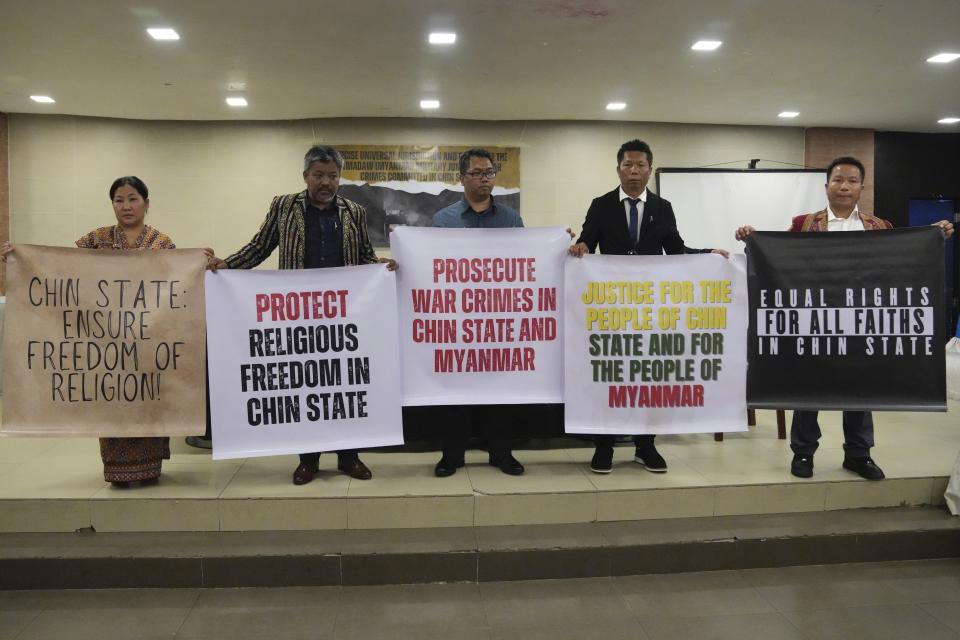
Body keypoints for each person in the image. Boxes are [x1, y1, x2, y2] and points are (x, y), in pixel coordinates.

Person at [735, 156, 954, 480]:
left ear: (861, 188)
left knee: (861, 386)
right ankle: (804, 453)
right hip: (815, 321)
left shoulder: (879, 227)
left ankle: (858, 454)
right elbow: (780, 258)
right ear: (826, 186)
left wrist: (934, 235)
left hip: (862, 321)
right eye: (838, 180)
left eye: (852, 180)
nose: (844, 186)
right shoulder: (804, 224)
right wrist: (752, 238)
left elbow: (899, 265)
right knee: (808, 387)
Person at [207, 145, 397, 485]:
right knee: (306, 384)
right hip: (298, 315)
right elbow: (260, 246)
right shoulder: (284, 206)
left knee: (342, 384)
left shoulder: (353, 210)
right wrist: (226, 265)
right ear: (305, 176)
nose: (326, 182)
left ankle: (349, 457)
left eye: (333, 176)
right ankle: (308, 459)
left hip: (344, 315)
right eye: (319, 175)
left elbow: (365, 254)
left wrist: (380, 268)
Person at [0, 176, 178, 487]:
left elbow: (177, 282)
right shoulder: (96, 240)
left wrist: (203, 265)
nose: (126, 206)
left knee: (146, 401)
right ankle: (118, 471)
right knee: (112, 401)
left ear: (146, 204)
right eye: (119, 200)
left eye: (133, 199)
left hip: (147, 341)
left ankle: (150, 469)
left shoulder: (162, 243)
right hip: (105, 343)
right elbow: (60, 268)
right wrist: (21, 257)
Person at [569, 139, 728, 475]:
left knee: (648, 377)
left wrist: (709, 255)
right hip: (611, 309)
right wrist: (581, 246)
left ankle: (645, 445)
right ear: (618, 169)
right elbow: (587, 241)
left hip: (650, 310)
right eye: (628, 165)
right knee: (610, 376)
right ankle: (605, 446)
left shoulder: (662, 206)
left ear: (649, 170)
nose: (634, 171)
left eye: (641, 165)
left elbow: (677, 250)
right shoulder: (601, 205)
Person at [431, 148, 526, 477]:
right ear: (462, 178)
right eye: (477, 172)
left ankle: (501, 454)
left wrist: (557, 244)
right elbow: (432, 266)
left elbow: (527, 262)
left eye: (489, 172)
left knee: (500, 390)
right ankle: (452, 456)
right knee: (454, 390)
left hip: (499, 319)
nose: (485, 178)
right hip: (456, 320)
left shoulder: (511, 219)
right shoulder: (443, 220)